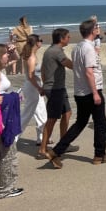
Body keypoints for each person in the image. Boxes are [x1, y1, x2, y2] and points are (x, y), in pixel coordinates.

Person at [46, 19, 106, 168]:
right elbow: (89, 72)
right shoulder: (87, 48)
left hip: (80, 92)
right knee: (101, 123)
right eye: (97, 27)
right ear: (92, 31)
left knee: (80, 123)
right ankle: (100, 155)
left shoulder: (77, 47)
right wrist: (95, 93)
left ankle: (56, 151)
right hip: (91, 91)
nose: (98, 29)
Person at [39, 28, 74, 159]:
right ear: (61, 39)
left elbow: (43, 70)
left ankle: (63, 144)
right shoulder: (56, 51)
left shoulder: (49, 50)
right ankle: (43, 149)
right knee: (52, 119)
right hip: (55, 89)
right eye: (68, 37)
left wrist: (44, 85)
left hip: (57, 88)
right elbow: (70, 65)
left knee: (67, 113)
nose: (69, 38)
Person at [0, 43, 24, 200]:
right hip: (2, 119)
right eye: (5, 54)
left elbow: (16, 59)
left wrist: (12, 51)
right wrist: (7, 98)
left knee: (1, 153)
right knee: (8, 153)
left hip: (3, 116)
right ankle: (4, 190)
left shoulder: (0, 70)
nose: (8, 56)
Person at [19, 35, 47, 146]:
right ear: (36, 43)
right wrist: (39, 88)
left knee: (42, 113)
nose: (42, 42)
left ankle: (42, 137)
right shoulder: (31, 57)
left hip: (34, 87)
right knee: (27, 115)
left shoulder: (31, 55)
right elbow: (31, 76)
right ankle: (12, 138)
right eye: (41, 40)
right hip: (32, 88)